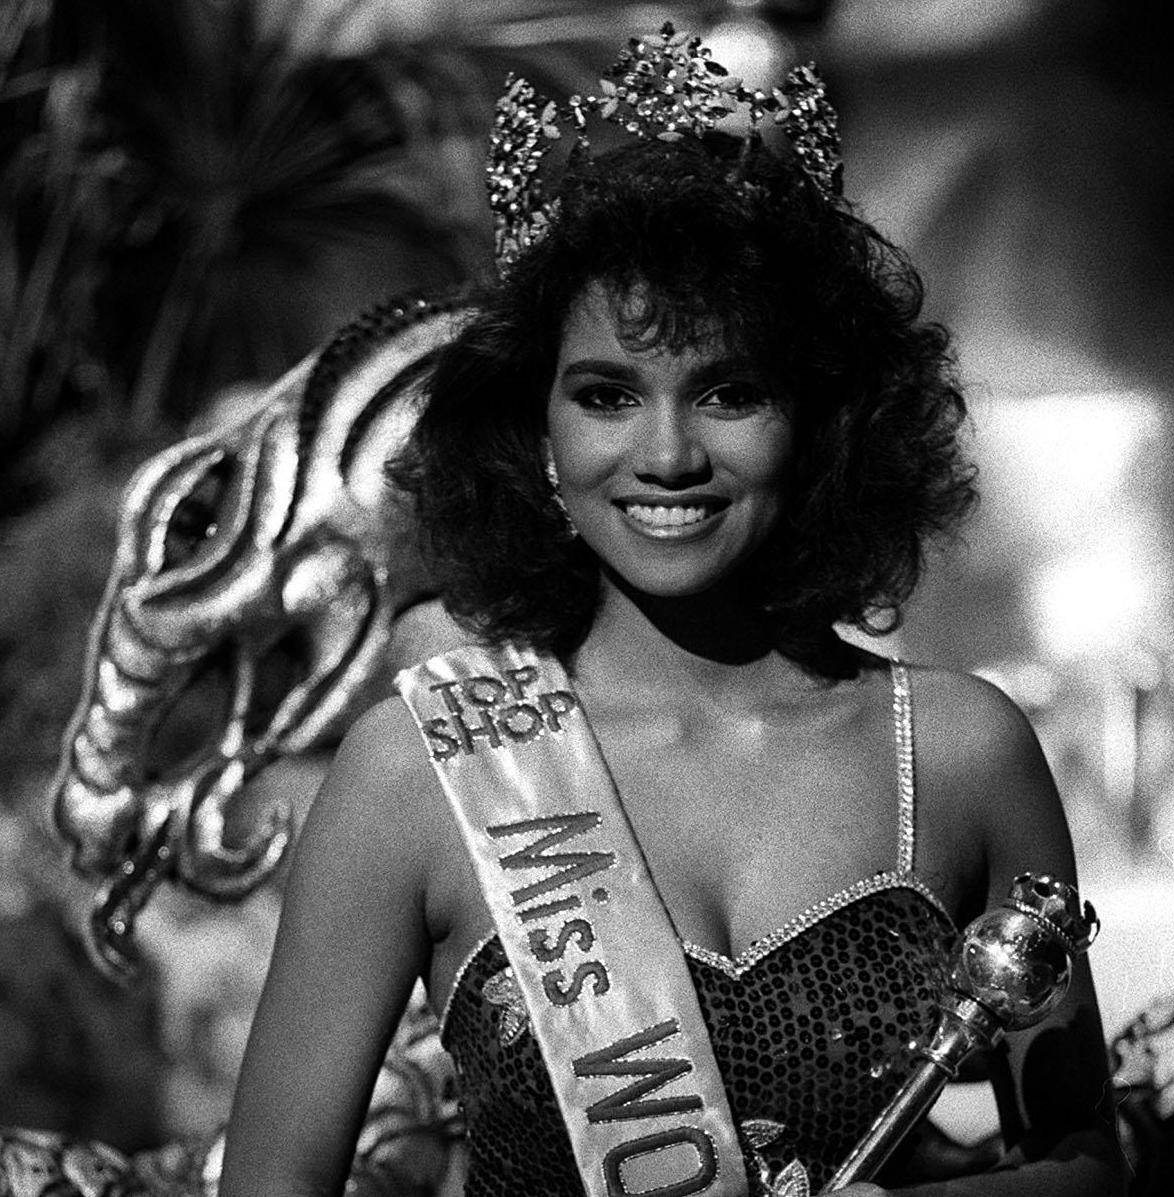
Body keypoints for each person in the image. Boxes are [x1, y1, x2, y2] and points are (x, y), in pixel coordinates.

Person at [220, 25, 1125, 1197]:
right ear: (535, 435)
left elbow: (1080, 1165)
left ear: (817, 423)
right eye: (605, 395)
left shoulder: (957, 755)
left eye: (728, 391)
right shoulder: (416, 776)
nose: (664, 454)